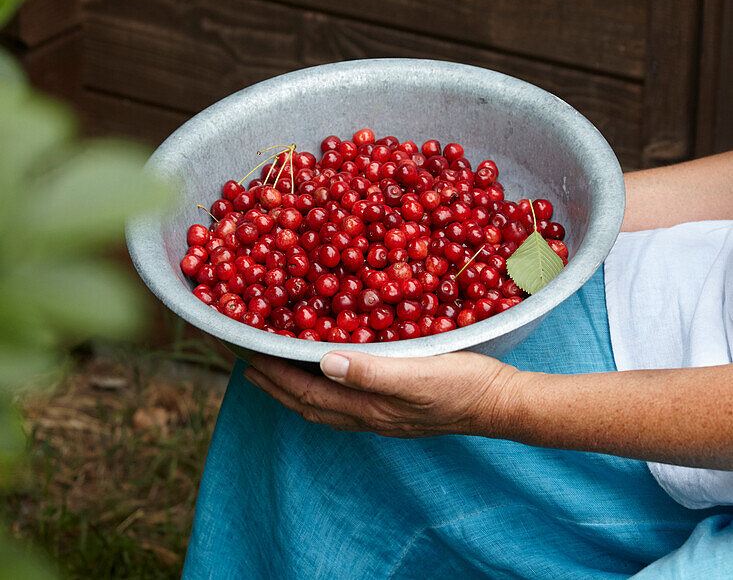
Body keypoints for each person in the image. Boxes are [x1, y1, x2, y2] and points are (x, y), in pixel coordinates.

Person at [182, 152, 733, 580]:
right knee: (310, 379)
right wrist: (575, 219)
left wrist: (499, 402)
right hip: (664, 282)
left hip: (697, 447)